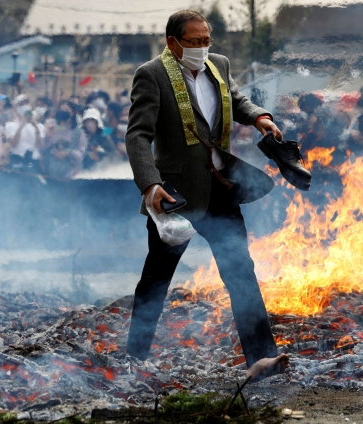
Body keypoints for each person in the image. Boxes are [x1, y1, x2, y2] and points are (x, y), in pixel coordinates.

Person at [125, 10, 289, 381]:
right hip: (176, 196)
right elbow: (138, 136)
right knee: (156, 279)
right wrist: (151, 184)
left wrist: (259, 117)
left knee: (241, 273)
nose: (203, 47)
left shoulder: (219, 64)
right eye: (194, 41)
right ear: (173, 43)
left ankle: (262, 361)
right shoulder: (151, 75)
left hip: (220, 189)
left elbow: (235, 98)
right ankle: (134, 359)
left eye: (206, 40)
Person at [5, 95, 45, 173]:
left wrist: (36, 126)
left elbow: (40, 145)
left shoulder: (40, 126)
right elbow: (14, 144)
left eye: (26, 103)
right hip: (17, 159)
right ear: (16, 108)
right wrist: (21, 126)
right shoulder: (10, 125)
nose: (24, 106)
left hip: (33, 161)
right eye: (21, 104)